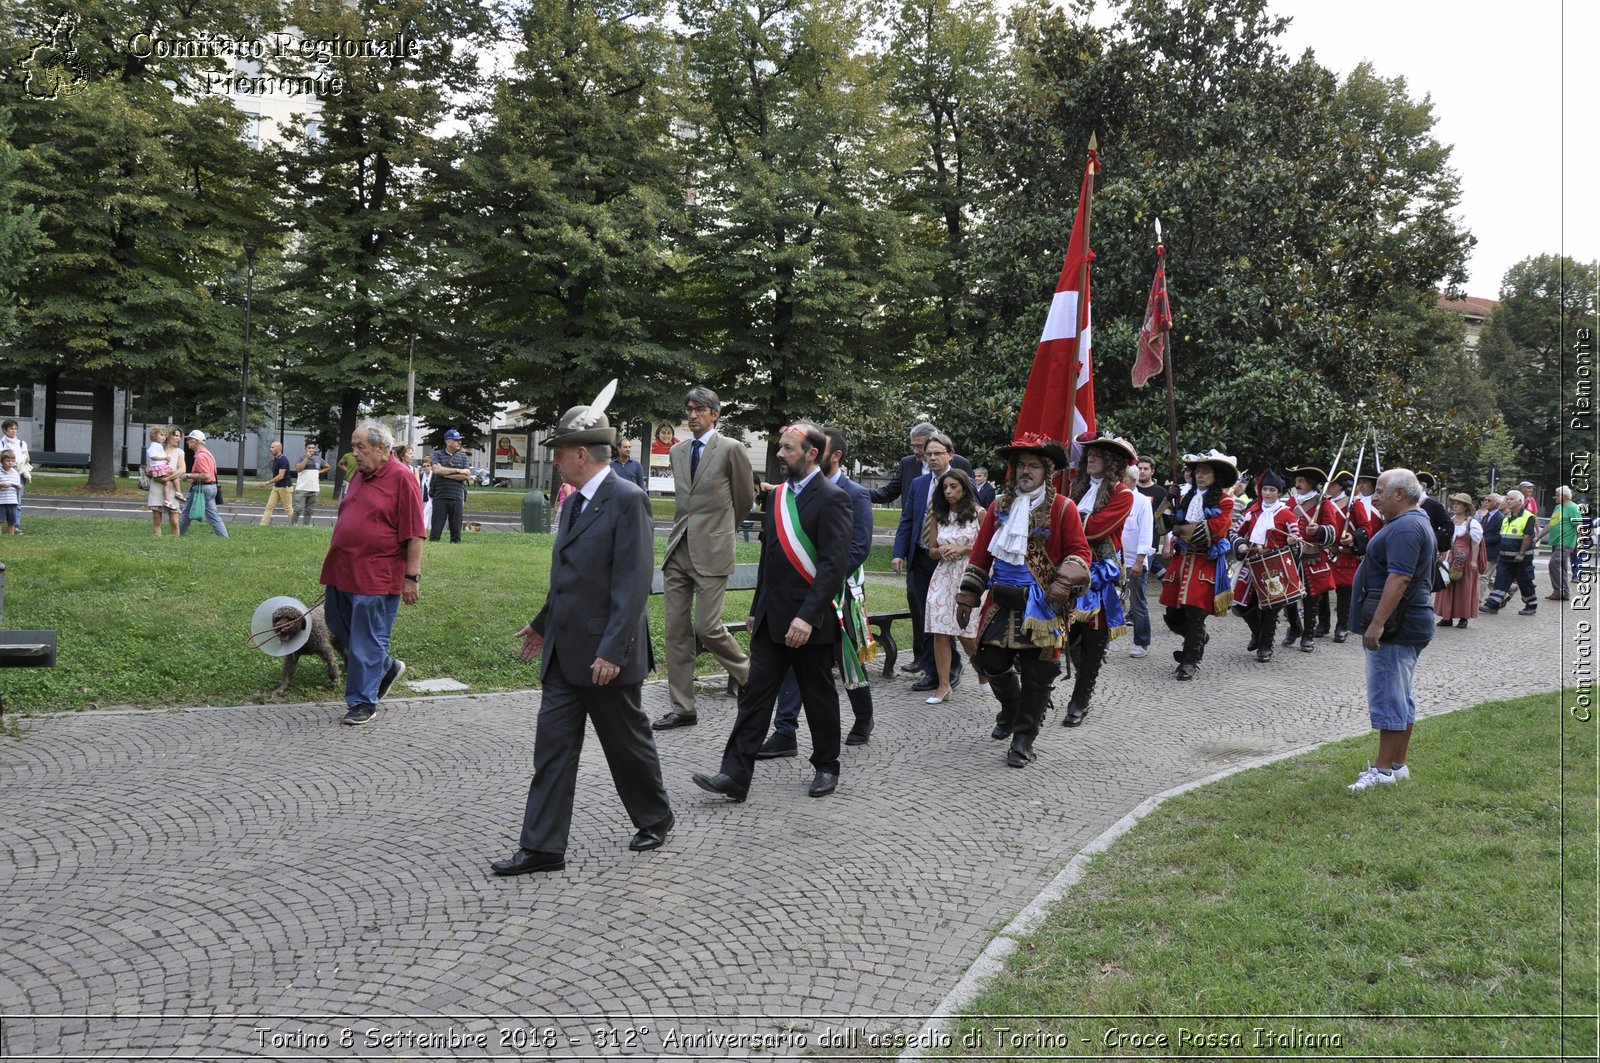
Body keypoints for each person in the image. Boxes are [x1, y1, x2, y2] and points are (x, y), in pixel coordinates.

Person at [490, 393, 673, 876]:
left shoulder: (627, 500)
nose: (554, 460)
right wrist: (541, 623)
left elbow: (632, 584)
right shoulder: (574, 505)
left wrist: (614, 649)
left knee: (625, 744)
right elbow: (571, 578)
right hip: (564, 653)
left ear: (581, 453)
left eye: (558, 451)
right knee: (552, 750)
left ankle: (655, 817)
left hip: (605, 655)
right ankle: (543, 848)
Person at [691, 422, 853, 801]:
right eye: (780, 447)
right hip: (772, 619)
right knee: (755, 697)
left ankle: (827, 765)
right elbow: (770, 559)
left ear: (812, 454)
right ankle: (734, 775)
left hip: (810, 624)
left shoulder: (832, 499)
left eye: (788, 449)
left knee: (818, 697)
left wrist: (808, 617)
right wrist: (755, 607)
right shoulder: (778, 497)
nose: (780, 455)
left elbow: (832, 566)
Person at [954, 433, 1090, 767]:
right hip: (1001, 600)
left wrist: (1064, 580)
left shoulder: (1063, 508)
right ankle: (1012, 710)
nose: (1024, 472)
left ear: (1047, 470)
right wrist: (969, 594)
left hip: (1043, 603)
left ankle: (1024, 738)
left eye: (1032, 466)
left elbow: (1079, 552)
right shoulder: (1000, 505)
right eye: (1020, 466)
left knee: (1038, 673)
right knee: (990, 662)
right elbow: (981, 552)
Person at [759, 425, 879, 755]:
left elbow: (859, 547)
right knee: (798, 661)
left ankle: (863, 716)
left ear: (831, 455)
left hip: (841, 592)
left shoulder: (854, 493)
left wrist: (826, 578)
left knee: (847, 659)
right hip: (802, 594)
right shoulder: (793, 492)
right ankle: (785, 730)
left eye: (819, 449)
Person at [654, 386, 757, 731]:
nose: (693, 415)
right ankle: (683, 708)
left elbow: (743, 501)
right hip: (678, 550)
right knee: (676, 632)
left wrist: (721, 533)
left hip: (713, 550)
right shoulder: (678, 451)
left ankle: (750, 678)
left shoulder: (732, 449)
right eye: (689, 410)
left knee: (707, 628)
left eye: (700, 410)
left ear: (715, 414)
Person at [318, 420, 424, 727]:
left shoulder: (402, 478)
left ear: (382, 449)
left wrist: (411, 577)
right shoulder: (360, 475)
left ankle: (363, 702)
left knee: (366, 638)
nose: (355, 453)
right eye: (353, 446)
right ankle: (386, 667)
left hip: (377, 574)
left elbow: (415, 534)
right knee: (338, 623)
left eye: (360, 447)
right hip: (343, 569)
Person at [1347, 469, 1436, 791]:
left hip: (1398, 627)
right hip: (1408, 623)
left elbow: (1399, 578)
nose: (1375, 496)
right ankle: (1398, 766)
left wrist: (1377, 623)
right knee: (1401, 697)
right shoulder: (1410, 523)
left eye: (1381, 491)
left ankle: (1383, 771)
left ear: (1399, 495)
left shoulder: (1406, 527)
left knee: (1389, 696)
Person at [1059, 432, 1135, 727]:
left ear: (1112, 462)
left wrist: (1067, 520)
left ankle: (1080, 700)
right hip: (1067, 566)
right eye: (1089, 453)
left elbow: (1098, 528)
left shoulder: (1123, 495)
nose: (1090, 458)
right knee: (1066, 634)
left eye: (1098, 455)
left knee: (1093, 637)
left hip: (1101, 574)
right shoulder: (1075, 489)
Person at [893, 432, 964, 692]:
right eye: (929, 453)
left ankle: (952, 667)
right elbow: (907, 519)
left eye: (937, 453)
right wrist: (898, 553)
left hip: (947, 562)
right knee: (924, 616)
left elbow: (972, 519)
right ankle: (932, 672)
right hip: (920, 558)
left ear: (950, 456)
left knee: (943, 617)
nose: (932, 457)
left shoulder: (959, 483)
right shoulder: (918, 484)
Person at [1158, 450, 1237, 680]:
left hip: (1205, 562)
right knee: (1172, 615)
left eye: (1205, 472)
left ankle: (1189, 661)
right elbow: (1162, 525)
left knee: (1195, 614)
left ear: (1216, 476)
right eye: (1197, 471)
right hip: (1181, 562)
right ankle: (1199, 638)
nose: (1200, 475)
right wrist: (1167, 498)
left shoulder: (1225, 501)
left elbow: (1214, 531)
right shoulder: (1186, 497)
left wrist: (1181, 530)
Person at [922, 467, 983, 704]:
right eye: (945, 487)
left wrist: (963, 549)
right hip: (943, 576)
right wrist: (942, 551)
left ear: (965, 488)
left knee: (967, 635)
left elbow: (986, 549)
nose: (948, 491)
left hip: (968, 576)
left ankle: (984, 673)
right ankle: (943, 685)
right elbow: (931, 550)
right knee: (940, 632)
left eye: (953, 486)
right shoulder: (938, 514)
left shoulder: (979, 514)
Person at [1233, 468, 1298, 662]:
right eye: (1265, 489)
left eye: (1272, 490)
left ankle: (1265, 646)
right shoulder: (1252, 511)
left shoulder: (1287, 515)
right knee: (1241, 605)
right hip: (1250, 564)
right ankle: (1257, 633)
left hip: (1274, 567)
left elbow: (1297, 540)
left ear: (1279, 492)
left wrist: (1294, 541)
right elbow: (1234, 533)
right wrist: (1241, 544)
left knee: (1270, 608)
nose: (1267, 493)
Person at [1283, 465, 1339, 652]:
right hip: (1291, 557)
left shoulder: (1324, 503)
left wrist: (1319, 530)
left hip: (1312, 558)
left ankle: (1308, 635)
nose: (1297, 484)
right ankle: (1294, 628)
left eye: (1301, 481)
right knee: (1288, 598)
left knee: (1311, 599)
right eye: (1296, 481)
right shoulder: (1290, 503)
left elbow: (1333, 531)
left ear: (1311, 484)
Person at [870, 423, 973, 508]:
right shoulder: (907, 464)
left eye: (919, 446)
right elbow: (889, 493)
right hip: (916, 528)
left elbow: (971, 499)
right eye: (913, 446)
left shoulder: (961, 464)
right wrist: (858, 492)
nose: (915, 451)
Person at [1482, 490, 1538, 616]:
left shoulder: (1528, 516)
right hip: (1504, 556)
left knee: (1525, 581)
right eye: (1507, 499)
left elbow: (1527, 536)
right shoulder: (1507, 518)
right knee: (1500, 581)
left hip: (1521, 558)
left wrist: (1521, 553)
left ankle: (1531, 604)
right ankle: (1492, 604)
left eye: (1511, 499)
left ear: (1520, 501)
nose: (1508, 501)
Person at [1434, 492, 1486, 627]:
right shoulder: (1449, 521)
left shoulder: (1472, 523)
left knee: (1464, 586)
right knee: (1447, 585)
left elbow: (1476, 543)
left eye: (1459, 504)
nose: (1455, 506)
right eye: (1454, 503)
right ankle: (1447, 616)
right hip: (1448, 556)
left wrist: (1474, 560)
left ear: (1466, 506)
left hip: (1464, 559)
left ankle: (1464, 617)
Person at [1121, 469, 1155, 659]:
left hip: (1135, 559)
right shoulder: (1114, 497)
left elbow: (1145, 533)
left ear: (1133, 481)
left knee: (1137, 602)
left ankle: (1142, 642)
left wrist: (1140, 561)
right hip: (1116, 558)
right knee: (1112, 601)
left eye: (1123, 478)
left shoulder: (1142, 502)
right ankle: (1106, 640)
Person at [179, 431, 229, 538]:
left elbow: (206, 475)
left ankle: (176, 536)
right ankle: (224, 538)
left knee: (186, 515)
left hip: (201, 490)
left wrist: (188, 475)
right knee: (213, 516)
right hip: (211, 487)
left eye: (189, 440)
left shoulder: (200, 456)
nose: (187, 442)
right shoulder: (207, 454)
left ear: (196, 441)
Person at [1537, 485, 1581, 601]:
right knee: (1562, 568)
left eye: (1557, 495)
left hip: (1566, 542)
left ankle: (1558, 591)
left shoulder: (1573, 508)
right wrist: (1538, 537)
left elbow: (1579, 527)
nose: (1555, 497)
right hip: (1556, 542)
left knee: (1553, 563)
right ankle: (1564, 593)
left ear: (1564, 496)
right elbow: (1550, 524)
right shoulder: (1557, 507)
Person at [428, 429, 472, 543]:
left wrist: (446, 474)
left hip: (457, 497)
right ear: (448, 442)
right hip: (440, 496)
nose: (459, 442)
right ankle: (434, 548)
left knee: (456, 532)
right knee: (436, 530)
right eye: (456, 440)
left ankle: (455, 548)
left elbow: (466, 476)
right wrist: (458, 470)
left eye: (459, 440)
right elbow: (437, 470)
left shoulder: (463, 456)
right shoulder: (437, 454)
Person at [1135, 456, 1169, 579]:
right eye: (1140, 468)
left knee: (1142, 576)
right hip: (1131, 539)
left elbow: (1165, 520)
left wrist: (1167, 544)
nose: (1142, 471)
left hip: (1150, 540)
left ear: (1152, 471)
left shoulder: (1160, 492)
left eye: (1146, 469)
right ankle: (1166, 579)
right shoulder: (1131, 490)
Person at [144, 426, 179, 535]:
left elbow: (181, 470)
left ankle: (175, 541)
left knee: (174, 520)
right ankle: (157, 540)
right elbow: (149, 468)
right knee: (157, 518)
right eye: (175, 435)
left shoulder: (179, 452)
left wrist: (166, 479)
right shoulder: (157, 449)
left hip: (170, 485)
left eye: (179, 436)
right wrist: (149, 472)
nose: (178, 438)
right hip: (157, 485)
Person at [1, 419, 30, 530]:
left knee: (17, 500)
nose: (14, 431)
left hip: (18, 474)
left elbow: (27, 457)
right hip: (5, 474)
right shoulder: (2, 443)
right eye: (11, 429)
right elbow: (2, 458)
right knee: (3, 500)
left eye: (15, 429)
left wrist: (21, 459)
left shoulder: (21, 443)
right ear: (5, 430)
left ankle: (15, 525)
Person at [292, 442, 331, 526]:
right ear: (305, 449)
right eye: (309, 448)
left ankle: (306, 525)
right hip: (302, 488)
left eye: (313, 448)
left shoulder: (318, 459)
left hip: (314, 489)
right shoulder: (301, 458)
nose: (311, 449)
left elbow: (328, 467)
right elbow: (299, 469)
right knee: (298, 508)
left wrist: (319, 472)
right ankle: (292, 524)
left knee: (309, 510)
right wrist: (307, 458)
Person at [257, 442, 294, 525]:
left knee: (288, 508)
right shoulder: (276, 459)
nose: (271, 449)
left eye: (273, 447)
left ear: (279, 448)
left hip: (285, 487)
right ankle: (263, 525)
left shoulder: (283, 459)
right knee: (269, 506)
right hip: (276, 487)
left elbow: (281, 476)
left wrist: (267, 483)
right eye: (271, 447)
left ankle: (294, 525)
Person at [0, 449, 21, 534]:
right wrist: (1, 485)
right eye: (7, 461)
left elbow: (17, 485)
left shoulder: (15, 473)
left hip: (12, 501)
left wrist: (18, 487)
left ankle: (10, 537)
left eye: (12, 461)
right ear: (2, 461)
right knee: (0, 520)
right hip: (1, 501)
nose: (10, 463)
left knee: (12, 521)